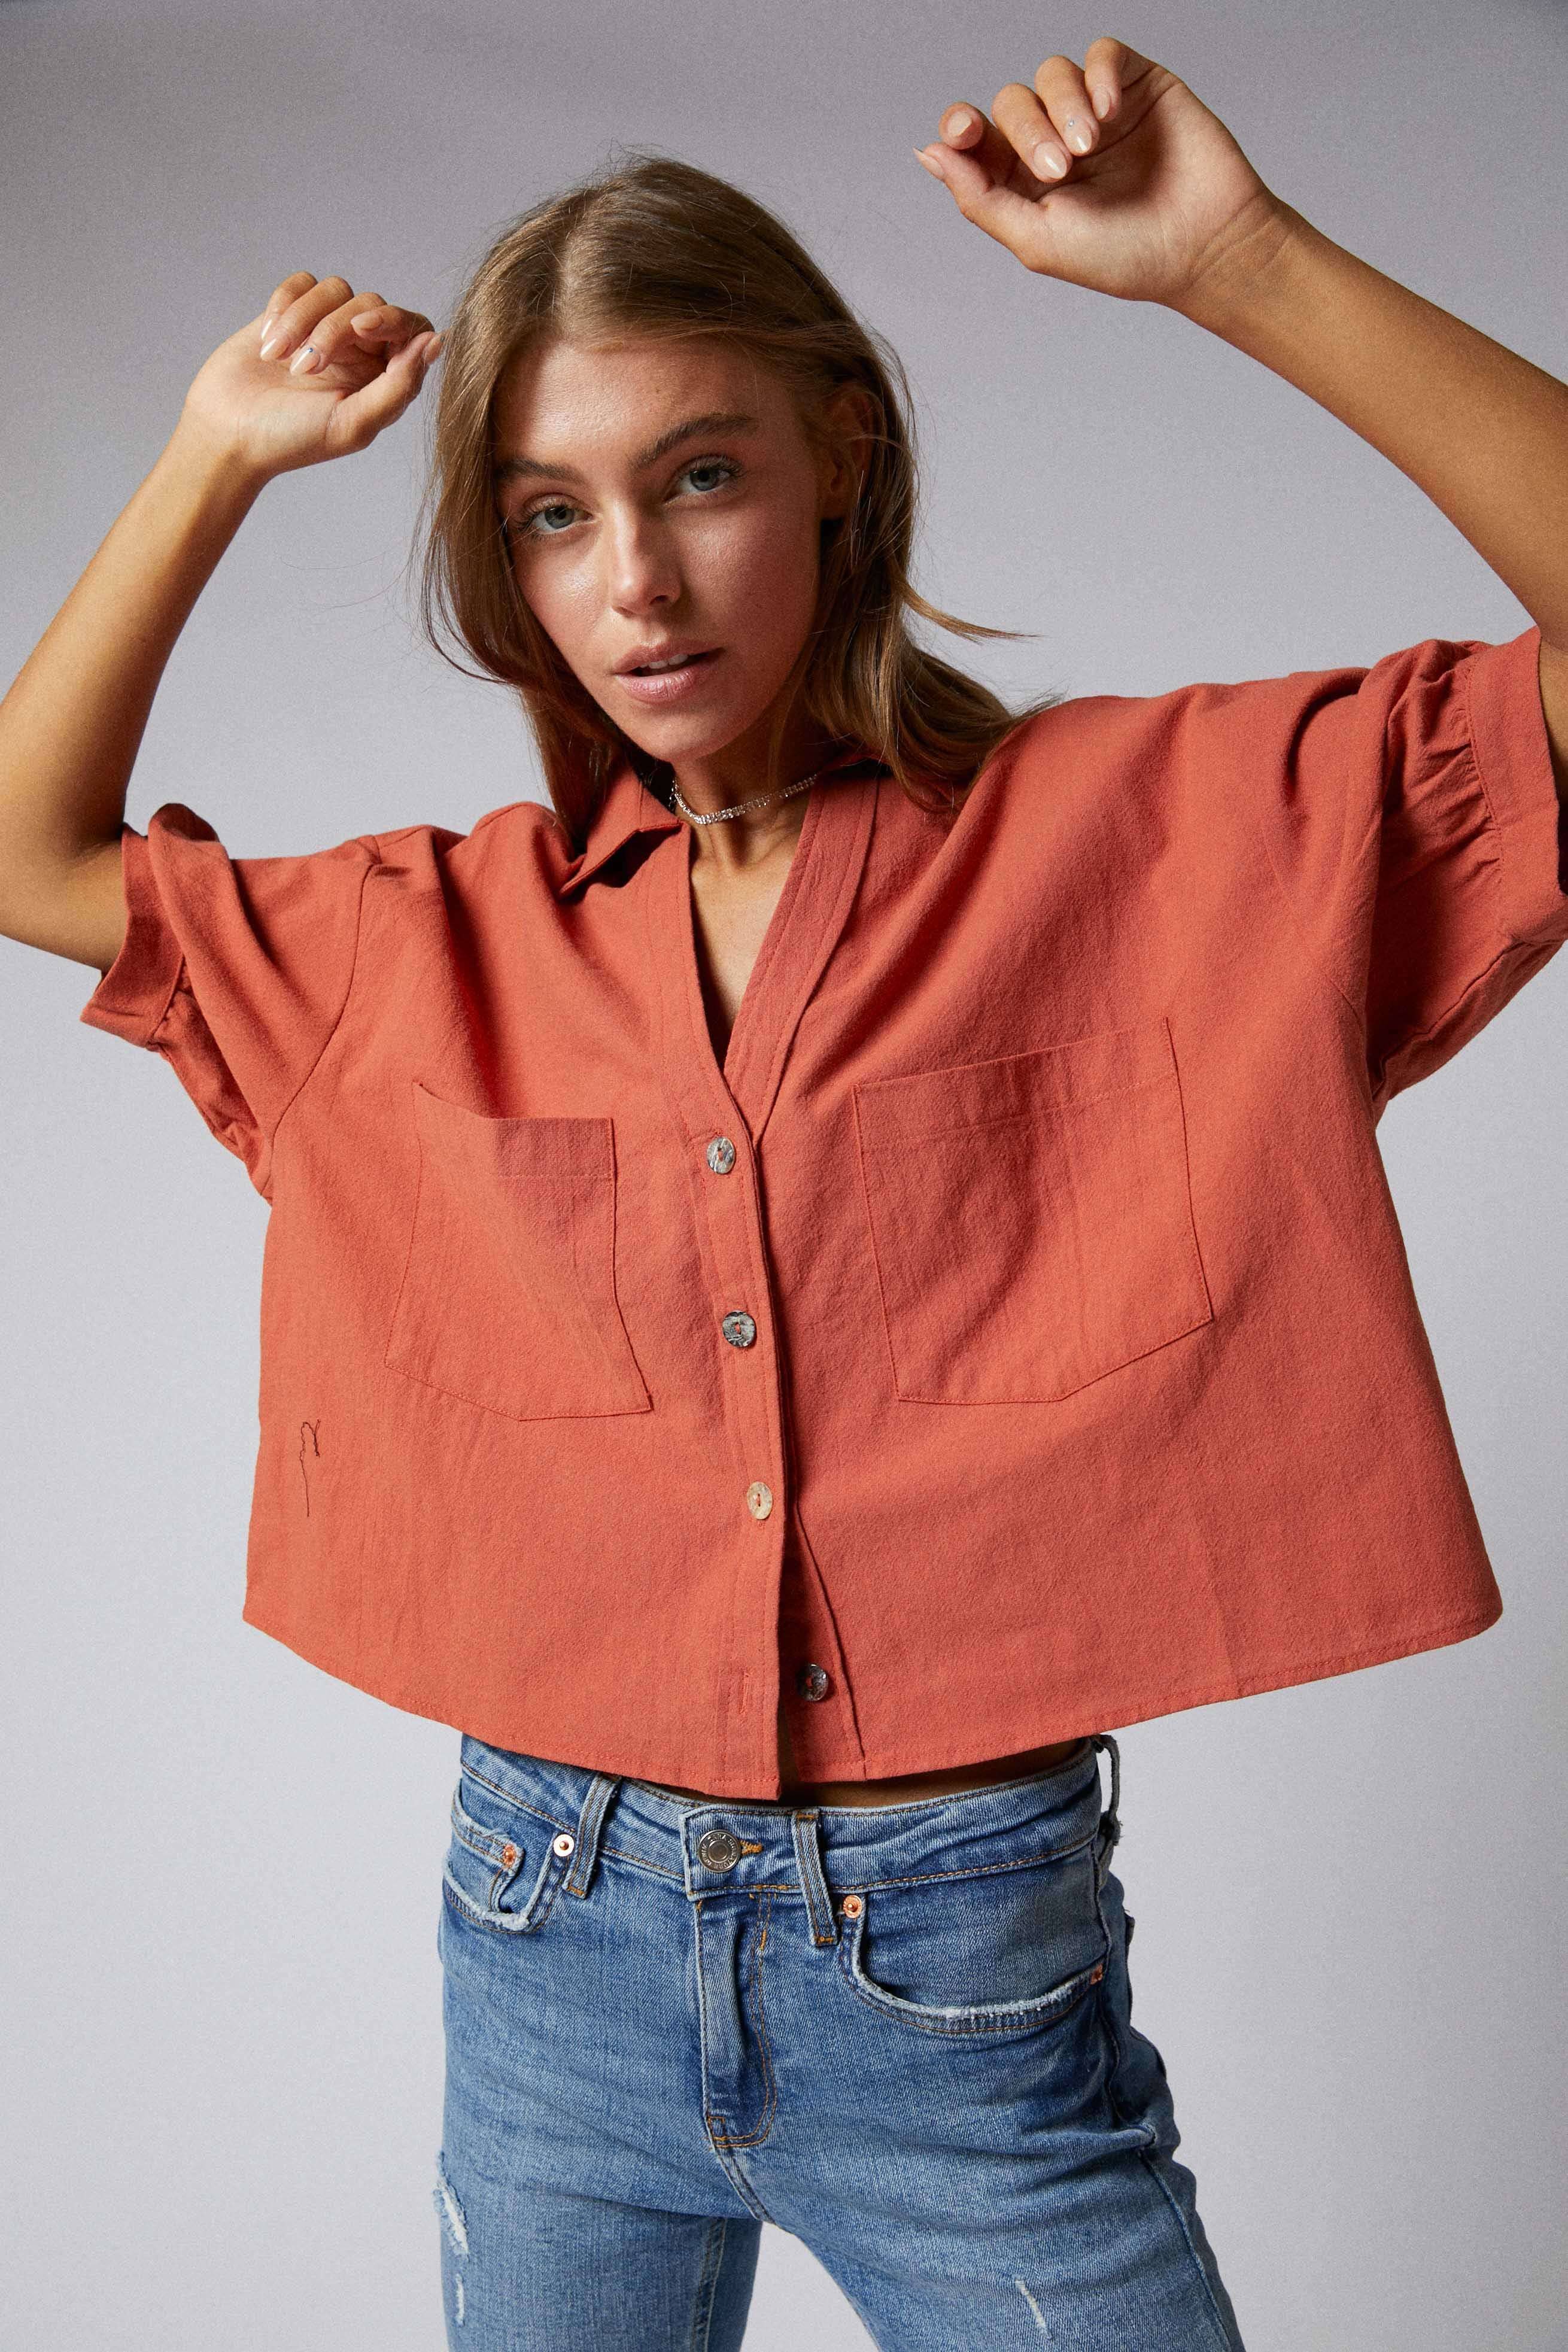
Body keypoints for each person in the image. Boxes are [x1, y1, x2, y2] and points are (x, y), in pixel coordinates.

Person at [2, 32, 1564, 2350]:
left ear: (841, 454)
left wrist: (1238, 259)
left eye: (701, 475)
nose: (634, 582)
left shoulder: (1159, 841)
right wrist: (214, 454)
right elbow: (24, 847)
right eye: (550, 513)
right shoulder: (430, 938)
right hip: (547, 1935)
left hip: (960, 1977)